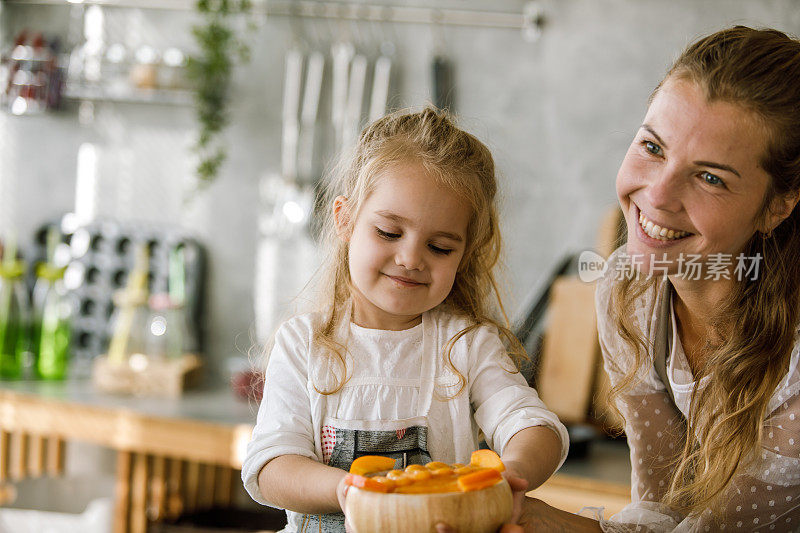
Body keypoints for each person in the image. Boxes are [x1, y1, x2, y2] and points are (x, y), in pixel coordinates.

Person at [465, 25, 800, 533]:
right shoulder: (631, 289)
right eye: (652, 147)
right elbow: (660, 511)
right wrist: (530, 515)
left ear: (776, 207)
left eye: (710, 177)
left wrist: (553, 522)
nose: (657, 196)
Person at [241, 107, 569, 532]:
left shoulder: (465, 344)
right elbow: (272, 467)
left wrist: (512, 473)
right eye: (390, 233)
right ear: (344, 219)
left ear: (464, 254)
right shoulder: (304, 343)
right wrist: (349, 490)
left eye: (440, 247)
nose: (411, 258)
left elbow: (534, 426)